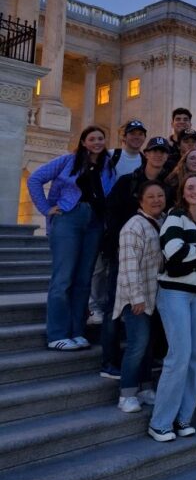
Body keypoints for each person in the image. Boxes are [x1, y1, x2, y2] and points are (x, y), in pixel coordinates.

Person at [28, 125, 117, 351]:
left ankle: (77, 331)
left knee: (83, 280)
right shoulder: (69, 160)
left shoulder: (108, 167)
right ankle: (57, 333)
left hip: (94, 223)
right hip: (69, 218)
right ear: (84, 142)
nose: (97, 142)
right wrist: (46, 208)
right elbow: (35, 179)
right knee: (63, 278)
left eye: (101, 138)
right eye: (92, 139)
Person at [148, 175, 196, 442]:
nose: (195, 190)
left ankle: (184, 417)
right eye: (190, 187)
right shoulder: (176, 216)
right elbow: (173, 252)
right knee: (179, 357)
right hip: (175, 293)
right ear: (183, 192)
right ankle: (160, 421)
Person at [100, 135, 172, 377]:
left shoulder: (167, 187)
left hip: (152, 259)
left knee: (148, 314)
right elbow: (111, 214)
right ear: (147, 153)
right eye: (155, 151)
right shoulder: (127, 182)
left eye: (163, 152)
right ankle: (109, 361)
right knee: (115, 306)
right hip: (125, 253)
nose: (159, 155)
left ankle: (144, 365)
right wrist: (118, 244)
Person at [113, 181, 167, 412]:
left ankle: (145, 388)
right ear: (141, 200)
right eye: (151, 196)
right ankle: (126, 393)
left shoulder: (162, 221)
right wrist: (136, 297)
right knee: (137, 345)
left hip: (155, 297)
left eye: (160, 196)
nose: (156, 200)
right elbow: (128, 265)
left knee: (148, 345)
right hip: (136, 298)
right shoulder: (133, 226)